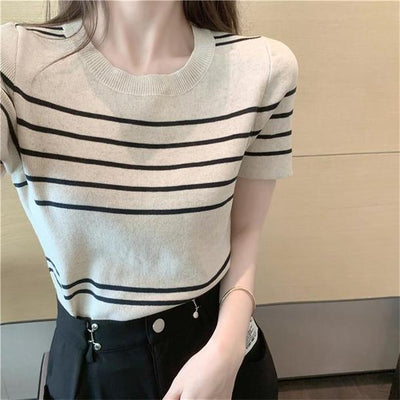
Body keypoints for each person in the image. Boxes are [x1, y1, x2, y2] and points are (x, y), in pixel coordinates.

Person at [0, 1, 298, 399]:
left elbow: (244, 231)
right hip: (93, 368)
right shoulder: (15, 61)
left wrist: (228, 348)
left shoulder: (264, 69)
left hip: (220, 352)